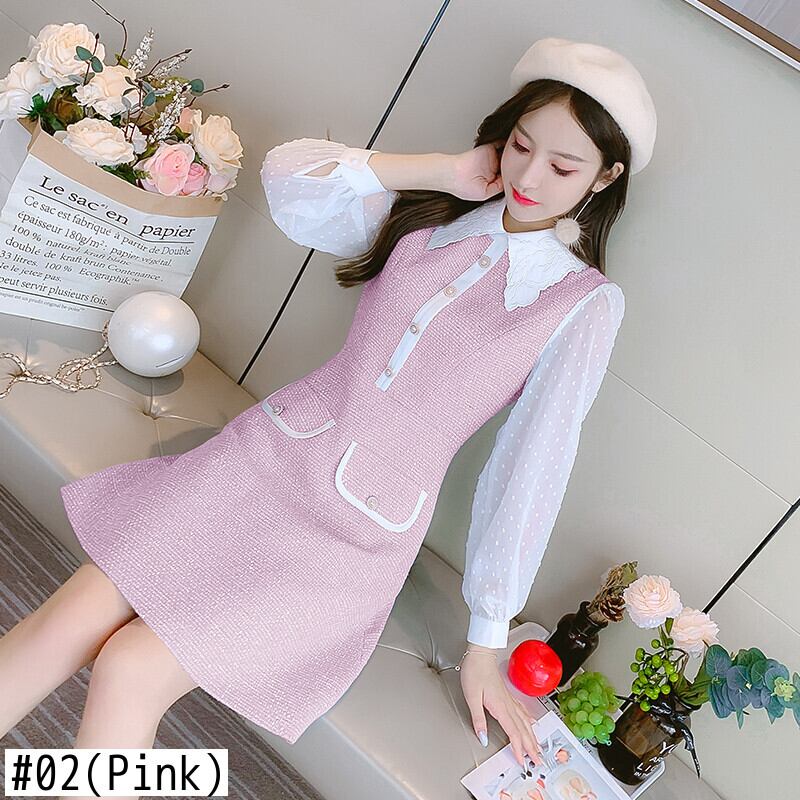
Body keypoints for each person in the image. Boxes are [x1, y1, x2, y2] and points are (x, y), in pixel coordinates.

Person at [0, 37, 656, 777]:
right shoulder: (430, 214)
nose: (529, 176)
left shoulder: (580, 304)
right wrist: (442, 170)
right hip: (260, 462)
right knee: (71, 614)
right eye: (521, 146)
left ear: (606, 175)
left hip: (350, 541)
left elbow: (533, 469)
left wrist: (486, 639)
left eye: (563, 167)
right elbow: (289, 177)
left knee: (131, 667)